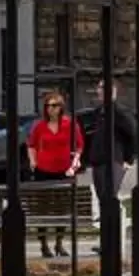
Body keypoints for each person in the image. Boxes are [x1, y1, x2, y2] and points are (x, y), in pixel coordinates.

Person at [22, 92, 85, 258]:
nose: (51, 109)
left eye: (54, 105)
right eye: (48, 106)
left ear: (61, 107)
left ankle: (59, 243)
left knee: (62, 207)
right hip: (43, 171)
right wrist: (33, 161)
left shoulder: (70, 124)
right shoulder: (40, 126)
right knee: (43, 208)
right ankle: (44, 244)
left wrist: (75, 162)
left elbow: (79, 145)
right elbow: (31, 145)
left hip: (64, 171)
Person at [76, 77, 139, 228]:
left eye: (103, 87)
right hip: (98, 162)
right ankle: (107, 233)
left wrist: (129, 159)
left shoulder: (119, 112)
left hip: (114, 161)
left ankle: (115, 231)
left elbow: (134, 134)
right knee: (102, 199)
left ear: (113, 91)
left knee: (109, 196)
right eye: (98, 87)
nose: (99, 91)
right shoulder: (98, 112)